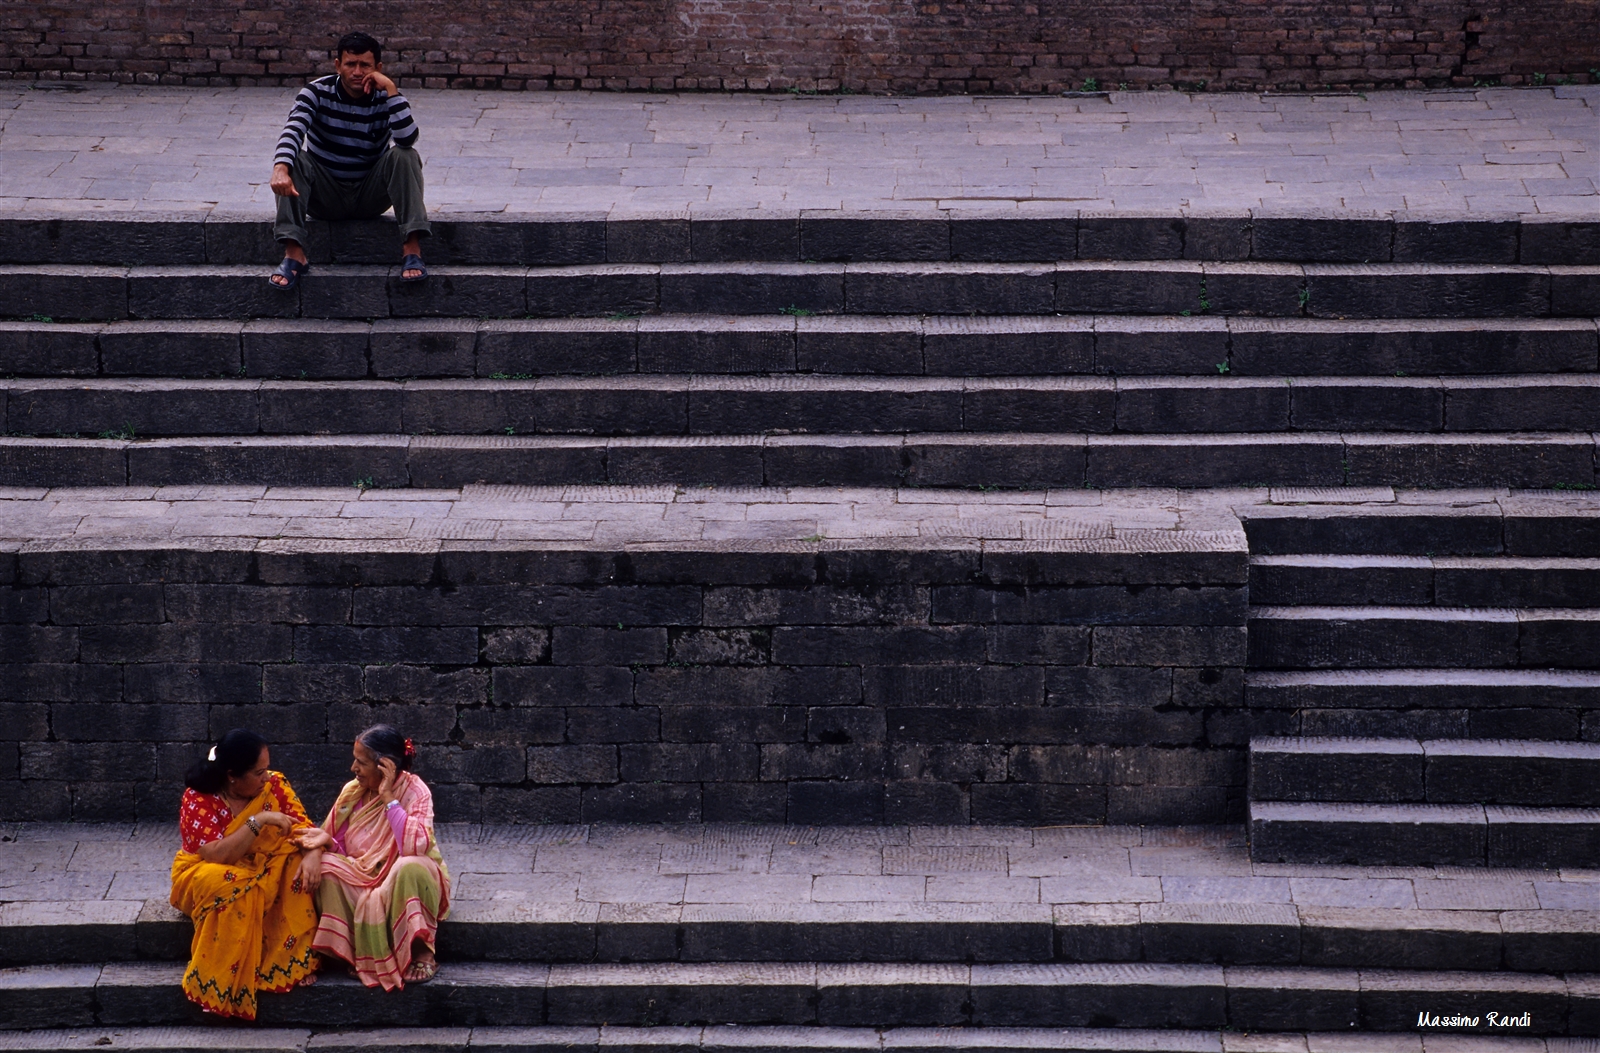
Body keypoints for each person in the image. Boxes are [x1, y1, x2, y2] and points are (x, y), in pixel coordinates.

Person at [169, 729, 329, 1019]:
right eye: (258, 773)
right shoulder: (198, 798)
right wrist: (260, 820)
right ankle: (228, 974)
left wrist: (314, 854)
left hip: (262, 864)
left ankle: (287, 962)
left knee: (293, 864)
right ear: (232, 775)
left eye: (266, 769)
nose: (266, 777)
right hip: (207, 871)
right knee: (225, 882)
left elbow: (306, 829)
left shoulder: (275, 785)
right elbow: (218, 855)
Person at [268, 31, 429, 289]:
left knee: (404, 155)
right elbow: (294, 128)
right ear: (337, 65)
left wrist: (391, 90)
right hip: (325, 196)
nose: (356, 72)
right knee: (293, 158)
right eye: (350, 64)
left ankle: (412, 249)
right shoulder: (316, 92)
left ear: (377, 68)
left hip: (370, 194)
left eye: (364, 65)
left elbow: (407, 139)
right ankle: (294, 253)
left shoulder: (388, 96)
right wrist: (280, 168)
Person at [300, 724, 451, 988]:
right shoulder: (352, 792)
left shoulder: (415, 791)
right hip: (361, 877)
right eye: (354, 761)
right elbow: (336, 844)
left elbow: (414, 847)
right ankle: (360, 950)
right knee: (324, 868)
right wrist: (322, 847)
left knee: (410, 867)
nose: (353, 769)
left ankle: (421, 950)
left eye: (361, 762)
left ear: (385, 766)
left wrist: (389, 798)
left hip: (401, 881)